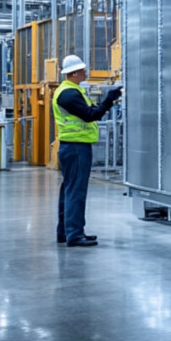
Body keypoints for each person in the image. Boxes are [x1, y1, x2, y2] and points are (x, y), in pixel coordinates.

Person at [54, 54, 122, 247]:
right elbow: (90, 115)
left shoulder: (71, 90)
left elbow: (90, 110)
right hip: (76, 147)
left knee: (69, 189)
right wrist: (109, 100)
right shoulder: (68, 94)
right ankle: (75, 235)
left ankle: (65, 232)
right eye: (83, 69)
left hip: (73, 146)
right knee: (76, 191)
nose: (86, 72)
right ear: (74, 73)